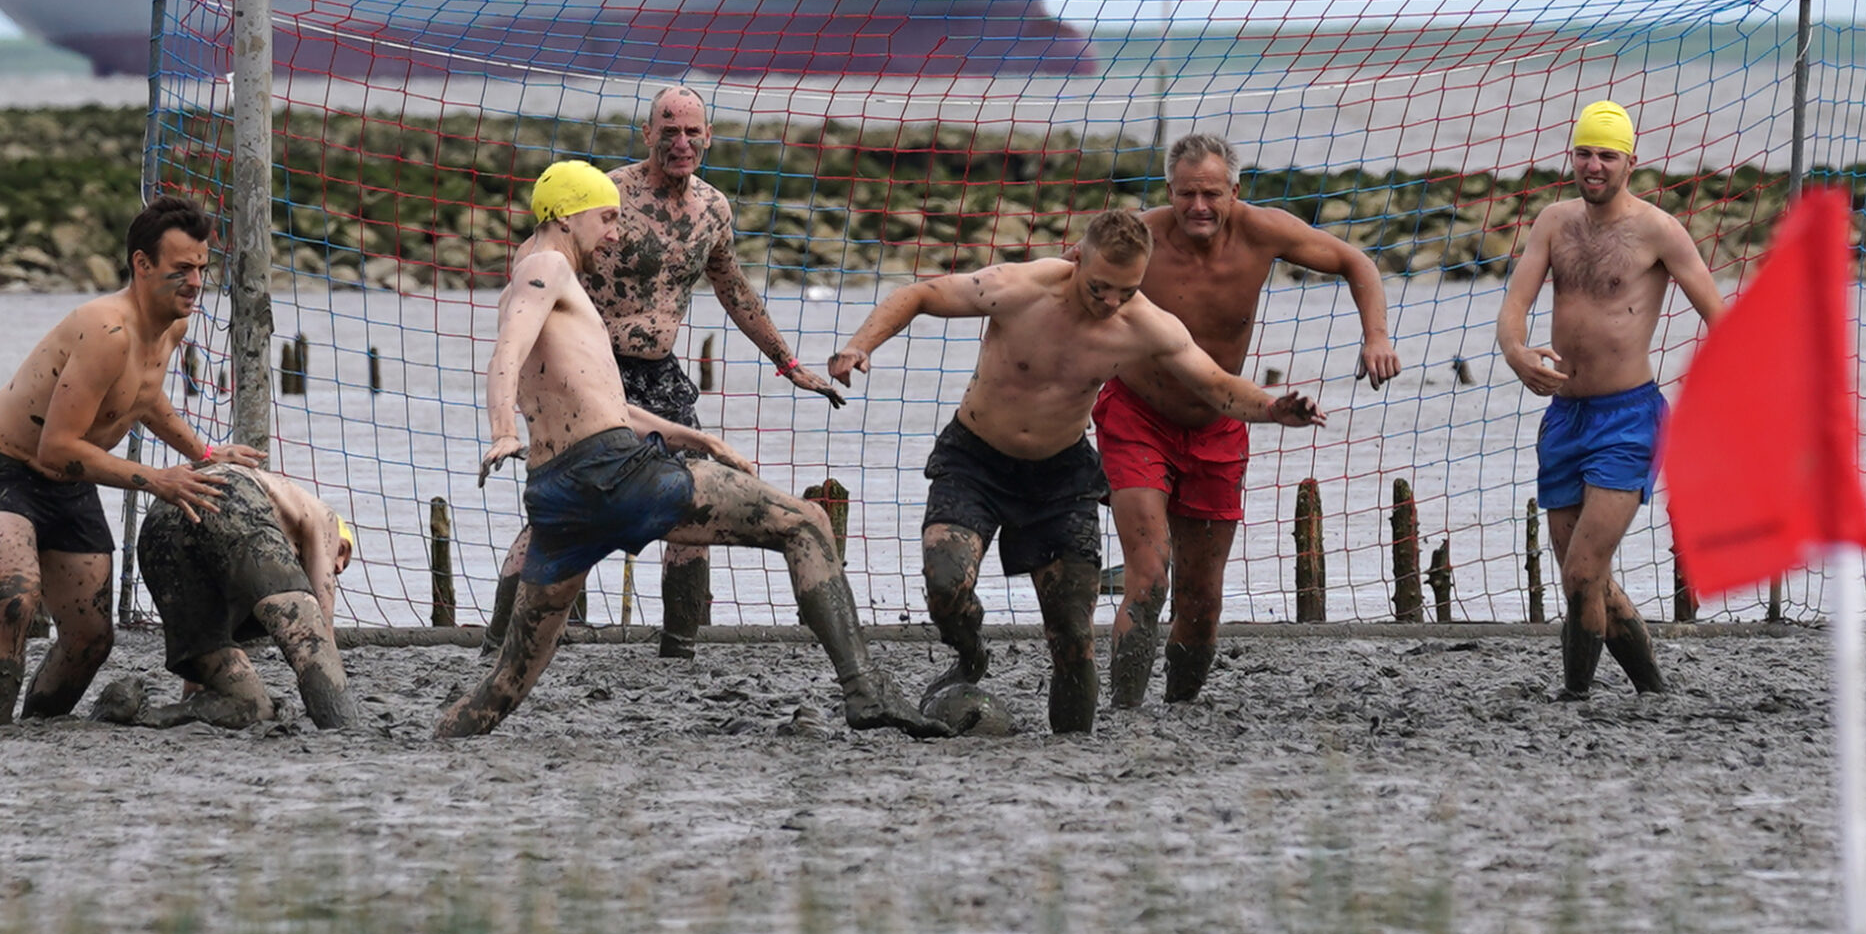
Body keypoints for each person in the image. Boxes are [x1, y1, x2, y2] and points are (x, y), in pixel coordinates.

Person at [438, 161, 943, 739]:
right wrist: (503, 428)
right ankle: (865, 689)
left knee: (502, 686)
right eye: (605, 219)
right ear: (567, 213)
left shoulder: (533, 282)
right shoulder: (546, 264)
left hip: (560, 503)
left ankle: (438, 742)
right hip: (617, 475)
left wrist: (701, 440)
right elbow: (506, 351)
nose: (613, 235)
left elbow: (607, 404)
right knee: (804, 526)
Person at [828, 210, 1323, 734]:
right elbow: (920, 295)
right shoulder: (1018, 288)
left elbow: (1218, 385)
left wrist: (1272, 409)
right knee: (945, 581)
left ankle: (1075, 745)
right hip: (975, 460)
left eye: (1127, 291)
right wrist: (862, 343)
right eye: (1100, 287)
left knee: (1071, 634)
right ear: (1076, 259)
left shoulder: (1145, 326)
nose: (1110, 302)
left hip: (1061, 480)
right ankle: (970, 654)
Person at [479, 86, 846, 661]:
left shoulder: (712, 210)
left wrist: (787, 362)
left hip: (663, 373)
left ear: (708, 137)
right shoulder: (608, 199)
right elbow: (539, 256)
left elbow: (733, 288)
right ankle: (498, 643)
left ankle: (679, 648)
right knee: (563, 512)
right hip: (593, 372)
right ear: (647, 134)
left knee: (693, 503)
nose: (681, 142)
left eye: (692, 131)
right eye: (668, 131)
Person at [1096, 134, 1403, 708]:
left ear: (1234, 192)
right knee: (1149, 573)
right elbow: (1059, 282)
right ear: (1169, 191)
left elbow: (1354, 260)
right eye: (1186, 194)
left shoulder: (1265, 232)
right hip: (1136, 416)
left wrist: (1376, 336)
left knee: (1202, 597)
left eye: (1212, 194)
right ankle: (1123, 711)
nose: (1199, 208)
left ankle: (1181, 708)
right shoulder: (1138, 235)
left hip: (1221, 420)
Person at [0, 195, 258, 727]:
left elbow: (143, 398)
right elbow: (57, 447)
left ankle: (38, 728)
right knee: (17, 599)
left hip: (69, 486)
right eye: (181, 270)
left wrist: (205, 453)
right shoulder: (106, 329)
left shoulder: (172, 326)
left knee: (91, 640)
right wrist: (156, 481)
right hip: (4, 469)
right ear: (142, 265)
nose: (195, 282)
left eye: (202, 269)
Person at [1496, 100, 1724, 700]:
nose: (1594, 166)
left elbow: (1718, 317)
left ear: (1631, 162)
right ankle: (1654, 690)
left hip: (1629, 419)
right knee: (1587, 581)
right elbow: (1513, 309)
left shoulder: (1659, 230)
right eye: (1585, 153)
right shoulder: (1553, 221)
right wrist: (1517, 354)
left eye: (1607, 155)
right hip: (1565, 417)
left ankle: (1574, 697)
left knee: (1580, 573)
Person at [96, 466, 358, 731]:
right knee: (310, 643)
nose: (336, 570)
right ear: (342, 548)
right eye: (341, 563)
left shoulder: (277, 524)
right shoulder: (324, 519)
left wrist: (198, 686)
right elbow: (321, 631)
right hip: (231, 498)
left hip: (160, 523)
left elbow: (213, 632)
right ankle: (347, 732)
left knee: (251, 707)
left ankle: (136, 712)